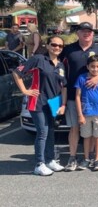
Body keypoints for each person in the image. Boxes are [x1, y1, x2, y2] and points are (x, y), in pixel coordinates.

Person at [59, 22, 98, 171]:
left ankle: (92, 158)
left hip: (95, 101)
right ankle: (72, 158)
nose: (86, 33)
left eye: (89, 31)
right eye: (83, 31)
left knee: (95, 132)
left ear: (93, 34)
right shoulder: (69, 49)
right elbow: (56, 63)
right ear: (78, 33)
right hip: (73, 95)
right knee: (75, 128)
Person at [13, 35, 67, 176]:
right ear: (48, 46)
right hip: (38, 102)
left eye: (60, 46)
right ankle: (39, 164)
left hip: (53, 103)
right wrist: (25, 90)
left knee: (50, 132)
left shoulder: (60, 65)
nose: (57, 48)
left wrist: (63, 104)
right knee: (42, 132)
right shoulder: (38, 59)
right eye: (54, 44)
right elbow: (17, 72)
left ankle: (50, 160)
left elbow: (64, 86)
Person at [75, 55, 98, 171]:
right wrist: (80, 114)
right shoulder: (81, 78)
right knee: (86, 136)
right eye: (92, 67)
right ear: (87, 67)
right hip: (86, 113)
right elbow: (77, 96)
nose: (95, 69)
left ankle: (97, 159)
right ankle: (86, 158)